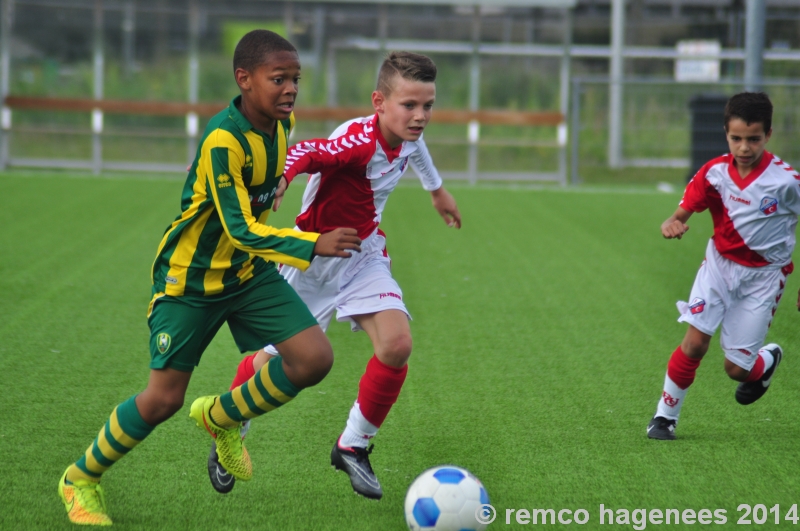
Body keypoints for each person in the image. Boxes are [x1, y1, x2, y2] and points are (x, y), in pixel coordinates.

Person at [57, 30, 361, 526]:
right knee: (162, 400)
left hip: (245, 276)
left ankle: (220, 416)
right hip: (191, 282)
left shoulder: (280, 126)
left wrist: (278, 185)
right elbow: (239, 229)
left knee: (313, 359)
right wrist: (311, 244)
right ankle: (80, 478)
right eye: (278, 79)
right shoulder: (224, 137)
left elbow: (261, 194)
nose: (290, 89)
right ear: (243, 80)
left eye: (295, 79)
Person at [207, 51, 461, 499]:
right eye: (410, 106)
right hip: (312, 260)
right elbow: (307, 150)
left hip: (364, 255)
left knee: (397, 345)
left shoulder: (406, 134)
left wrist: (437, 190)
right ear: (378, 102)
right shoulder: (357, 143)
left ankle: (352, 445)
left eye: (428, 106)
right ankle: (228, 422)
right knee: (275, 364)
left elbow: (417, 151)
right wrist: (283, 178)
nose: (420, 117)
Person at [647, 92, 799, 441]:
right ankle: (664, 417)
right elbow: (681, 212)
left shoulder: (787, 182)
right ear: (726, 134)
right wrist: (672, 223)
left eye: (753, 139)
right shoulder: (714, 173)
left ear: (768, 135)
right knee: (695, 342)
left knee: (737, 369)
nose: (744, 147)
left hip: (764, 278)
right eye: (736, 138)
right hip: (719, 267)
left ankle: (767, 361)